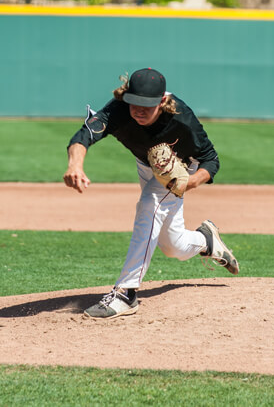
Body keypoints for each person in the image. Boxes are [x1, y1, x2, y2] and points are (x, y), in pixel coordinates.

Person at [63, 67, 239, 319]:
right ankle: (205, 241)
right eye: (134, 102)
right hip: (146, 165)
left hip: (179, 170)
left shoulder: (182, 119)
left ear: (163, 101)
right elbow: (84, 135)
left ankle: (126, 293)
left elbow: (211, 160)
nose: (139, 110)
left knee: (150, 204)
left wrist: (188, 182)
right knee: (173, 246)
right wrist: (75, 165)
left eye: (147, 105)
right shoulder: (118, 109)